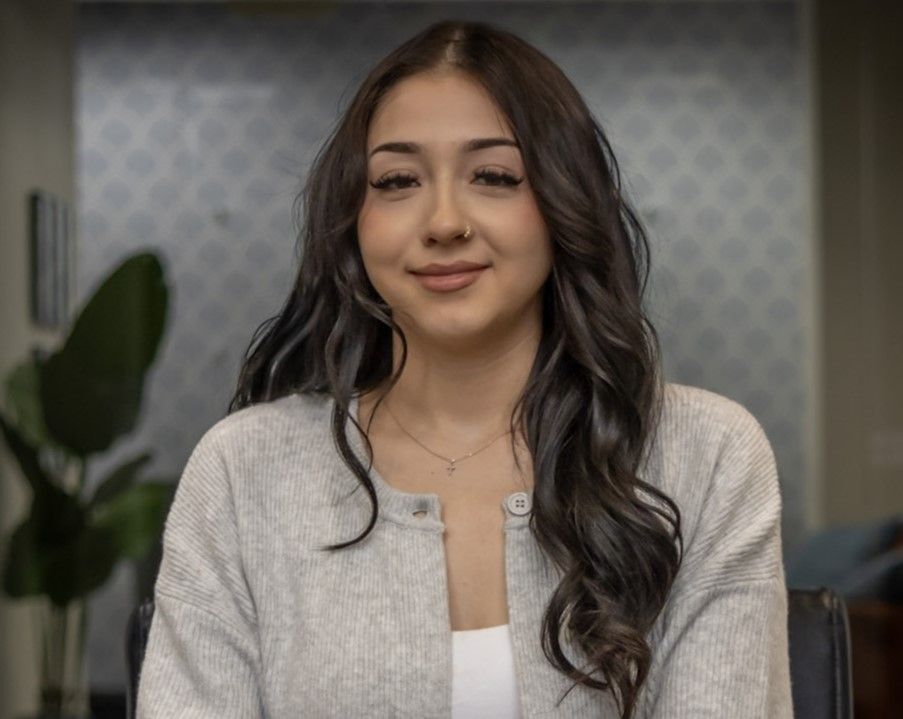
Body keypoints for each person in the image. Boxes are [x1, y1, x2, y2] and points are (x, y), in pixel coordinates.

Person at [136, 18, 792, 719]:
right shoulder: (244, 469)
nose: (444, 220)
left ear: (562, 205)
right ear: (353, 225)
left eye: (493, 176)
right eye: (396, 180)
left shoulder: (709, 455)